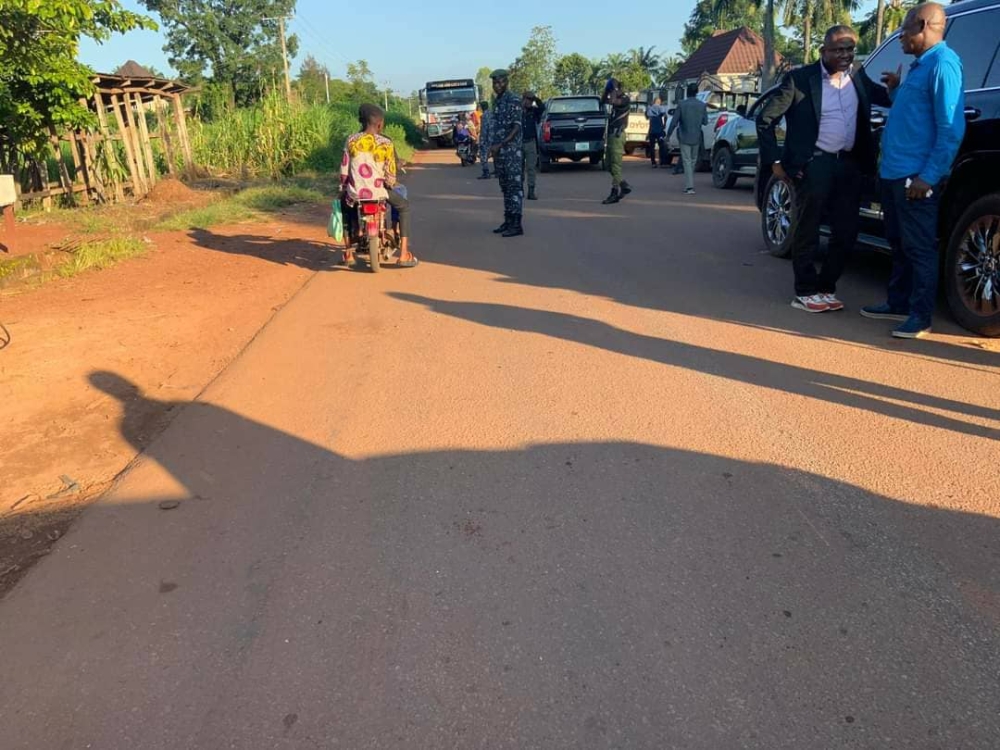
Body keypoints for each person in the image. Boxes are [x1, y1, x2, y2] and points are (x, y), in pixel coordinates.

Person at [757, 24, 891, 314]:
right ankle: (805, 291)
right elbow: (765, 119)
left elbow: (884, 97)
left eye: (850, 49)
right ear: (824, 51)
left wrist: (897, 88)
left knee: (847, 231)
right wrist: (774, 162)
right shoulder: (800, 80)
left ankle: (826, 287)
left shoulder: (857, 75)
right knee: (808, 227)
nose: (845, 55)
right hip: (814, 163)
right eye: (839, 50)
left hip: (850, 164)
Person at [861, 2, 965, 339]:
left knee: (919, 246)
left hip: (915, 176)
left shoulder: (943, 65)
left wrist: (928, 176)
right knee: (898, 241)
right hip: (893, 172)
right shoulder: (919, 67)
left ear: (923, 25)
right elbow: (913, 113)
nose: (901, 36)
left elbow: (950, 127)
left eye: (904, 28)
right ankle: (898, 302)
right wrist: (894, 89)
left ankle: (920, 317)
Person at [340, 103, 417, 268]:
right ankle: (403, 253)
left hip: (356, 193)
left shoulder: (351, 140)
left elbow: (344, 171)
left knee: (344, 207)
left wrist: (345, 186)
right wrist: (388, 183)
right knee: (403, 206)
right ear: (380, 123)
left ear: (361, 121)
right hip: (378, 191)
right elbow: (390, 176)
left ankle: (347, 252)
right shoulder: (386, 143)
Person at [488, 69, 525, 238]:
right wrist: (492, 146)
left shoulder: (514, 100)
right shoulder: (498, 101)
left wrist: (501, 144)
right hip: (500, 152)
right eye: (495, 83)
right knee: (505, 187)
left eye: (500, 82)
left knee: (514, 188)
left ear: (506, 82)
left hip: (512, 153)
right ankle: (508, 220)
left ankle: (517, 224)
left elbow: (516, 127)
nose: (497, 85)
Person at [667, 84, 707, 195]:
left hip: (684, 136)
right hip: (697, 136)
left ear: (687, 92)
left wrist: (668, 135)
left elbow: (674, 121)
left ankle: (690, 186)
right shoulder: (702, 105)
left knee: (687, 161)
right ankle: (689, 184)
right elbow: (705, 122)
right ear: (696, 93)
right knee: (692, 161)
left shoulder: (682, 104)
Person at [601, 78, 632, 205]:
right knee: (608, 165)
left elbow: (614, 101)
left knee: (615, 165)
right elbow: (603, 101)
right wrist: (606, 90)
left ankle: (615, 192)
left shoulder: (625, 99)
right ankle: (623, 186)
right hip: (611, 136)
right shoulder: (614, 97)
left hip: (618, 135)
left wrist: (613, 90)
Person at [522, 91, 544, 200]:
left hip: (530, 143)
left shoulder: (534, 112)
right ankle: (519, 190)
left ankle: (531, 191)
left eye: (531, 100)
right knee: (519, 168)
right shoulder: (518, 112)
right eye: (527, 99)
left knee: (531, 168)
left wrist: (535, 98)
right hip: (519, 143)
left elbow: (542, 107)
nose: (529, 102)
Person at [645, 96, 668, 168]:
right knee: (661, 145)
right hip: (659, 129)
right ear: (659, 102)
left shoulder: (650, 108)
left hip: (652, 130)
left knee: (652, 147)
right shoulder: (661, 108)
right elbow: (665, 116)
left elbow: (646, 117)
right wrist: (664, 125)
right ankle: (662, 162)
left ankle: (653, 163)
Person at [477, 100, 492, 180]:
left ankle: (486, 173)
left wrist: (481, 141)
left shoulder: (484, 116)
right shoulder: (491, 114)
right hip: (493, 138)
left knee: (483, 157)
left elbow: (484, 129)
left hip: (486, 139)